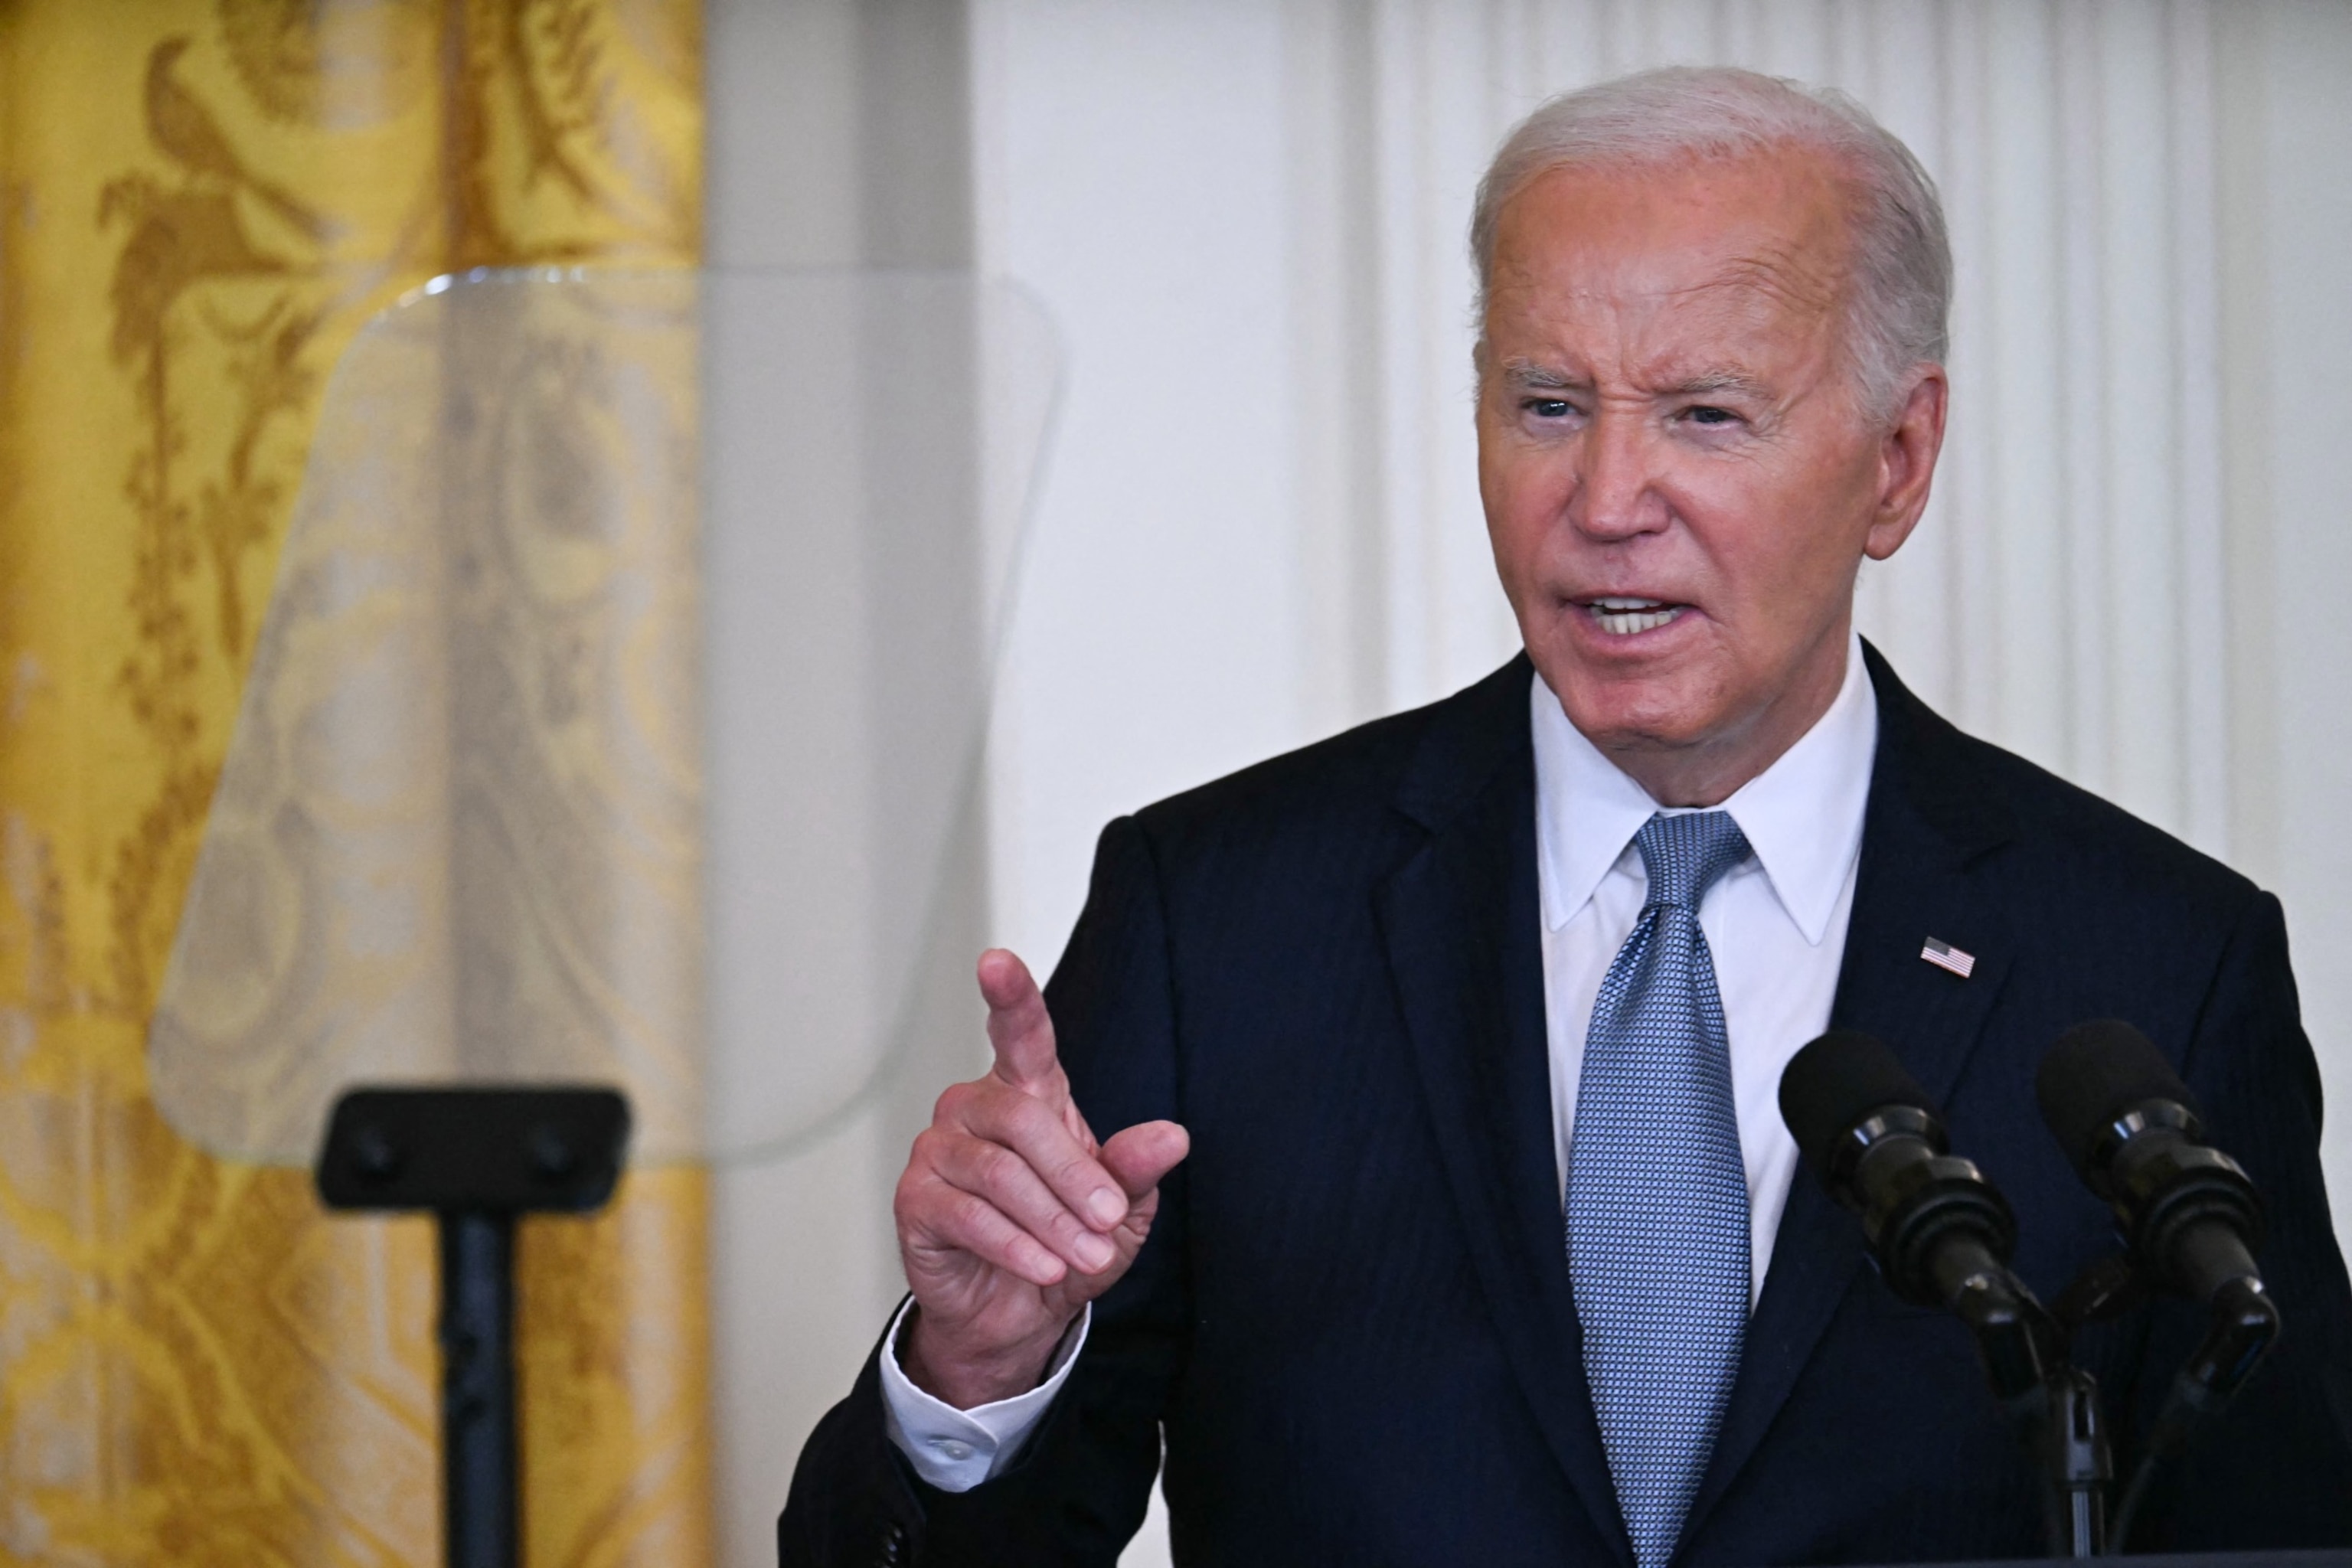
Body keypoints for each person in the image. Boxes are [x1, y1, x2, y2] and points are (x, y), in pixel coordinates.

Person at [779, 66, 2352, 1566]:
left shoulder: (2157, 964)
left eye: (1706, 416)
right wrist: (977, 1376)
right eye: (1545, 403)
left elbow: (2275, 1527)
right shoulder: (1222, 919)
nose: (1604, 497)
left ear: (1898, 457)